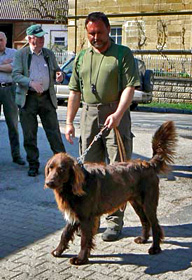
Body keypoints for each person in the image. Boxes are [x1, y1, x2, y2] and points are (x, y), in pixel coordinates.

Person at [65, 12, 140, 241]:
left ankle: (115, 223)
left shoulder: (122, 54)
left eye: (99, 32)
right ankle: (90, 219)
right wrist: (69, 121)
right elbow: (74, 92)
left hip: (115, 116)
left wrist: (118, 114)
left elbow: (130, 87)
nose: (95, 37)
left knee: (118, 171)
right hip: (89, 116)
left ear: (108, 29)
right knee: (87, 171)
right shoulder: (82, 56)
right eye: (91, 33)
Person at [12, 24, 65, 177]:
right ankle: (33, 164)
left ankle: (62, 164)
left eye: (43, 37)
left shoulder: (48, 54)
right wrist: (30, 82)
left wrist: (59, 75)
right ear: (29, 39)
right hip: (28, 99)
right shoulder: (20, 55)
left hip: (47, 98)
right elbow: (15, 75)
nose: (42, 40)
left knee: (54, 132)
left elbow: (57, 70)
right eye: (38, 37)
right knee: (29, 134)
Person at [0, 32, 25, 166]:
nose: (0, 42)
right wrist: (3, 66)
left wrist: (5, 66)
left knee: (13, 124)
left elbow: (13, 68)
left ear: (6, 40)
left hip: (9, 90)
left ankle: (16, 156)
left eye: (1, 40)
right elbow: (7, 68)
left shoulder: (13, 53)